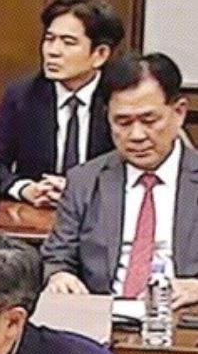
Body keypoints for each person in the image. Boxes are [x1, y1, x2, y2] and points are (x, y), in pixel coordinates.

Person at [41, 53, 198, 307]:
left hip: (182, 316)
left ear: (179, 112)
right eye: (123, 122)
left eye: (149, 120)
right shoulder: (84, 180)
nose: (136, 135)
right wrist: (59, 276)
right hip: (101, 315)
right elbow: (57, 256)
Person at [0, 0, 123, 207]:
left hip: (102, 215)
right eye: (49, 39)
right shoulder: (23, 95)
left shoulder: (120, 97)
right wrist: (24, 189)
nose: (53, 51)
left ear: (100, 54)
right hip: (36, 214)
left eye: (68, 43)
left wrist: (79, 190)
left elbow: (138, 169)